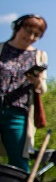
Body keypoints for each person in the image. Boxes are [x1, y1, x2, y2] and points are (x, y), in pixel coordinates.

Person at [0, 15, 48, 172]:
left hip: (18, 113)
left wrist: (37, 81)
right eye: (28, 31)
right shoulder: (1, 49)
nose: (31, 37)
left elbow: (43, 88)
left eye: (36, 35)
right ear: (18, 28)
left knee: (19, 161)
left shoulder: (39, 55)